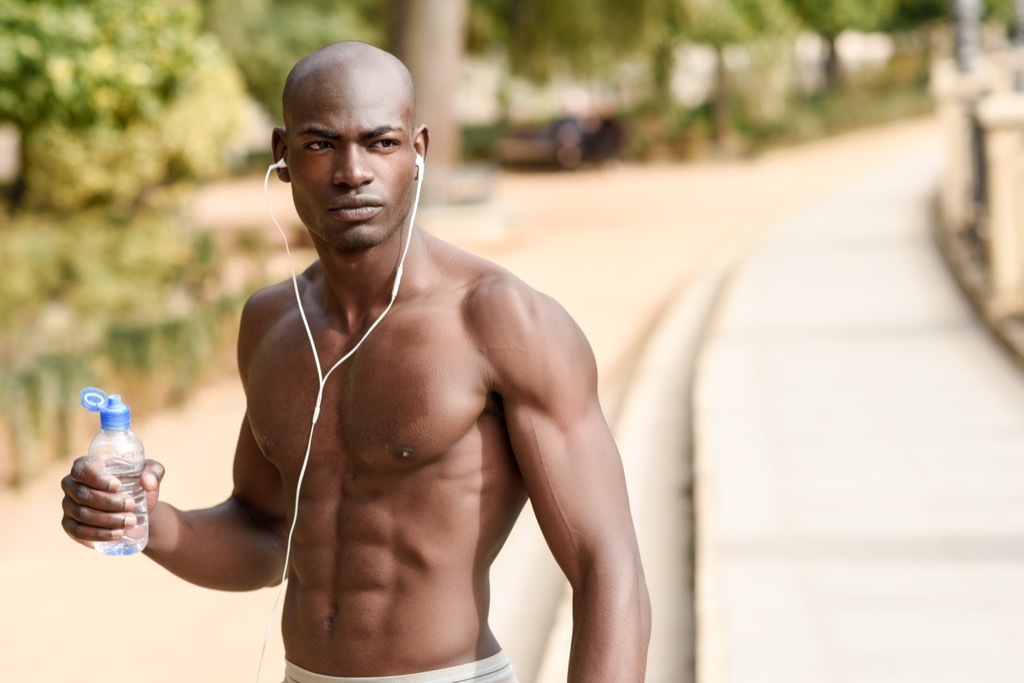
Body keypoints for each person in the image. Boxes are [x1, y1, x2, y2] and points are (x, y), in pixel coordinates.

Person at [60, 41, 651, 682]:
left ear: (417, 149)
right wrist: (148, 523)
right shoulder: (272, 323)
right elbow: (266, 538)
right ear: (282, 155)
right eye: (321, 145)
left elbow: (607, 568)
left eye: (381, 143)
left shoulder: (501, 321)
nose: (352, 172)